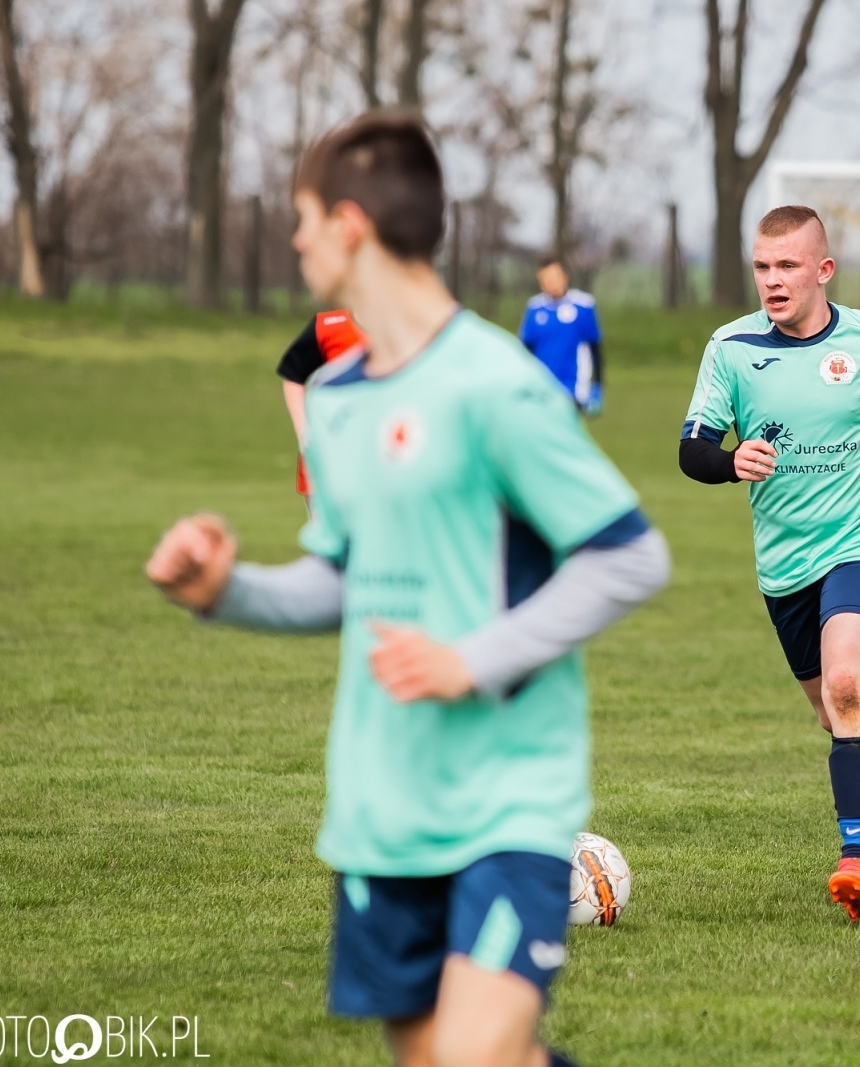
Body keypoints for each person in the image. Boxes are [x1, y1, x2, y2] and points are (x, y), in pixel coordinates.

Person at [145, 111, 669, 1067]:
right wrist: (228, 590)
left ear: (348, 223)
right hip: (381, 804)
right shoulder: (337, 399)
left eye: (303, 218)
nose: (295, 240)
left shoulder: (495, 386)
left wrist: (472, 659)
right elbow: (345, 584)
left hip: (509, 797)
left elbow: (629, 556)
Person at [677, 205, 860, 924]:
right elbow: (692, 448)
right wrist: (728, 462)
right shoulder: (732, 347)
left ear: (823, 270)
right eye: (762, 267)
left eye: (787, 267)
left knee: (847, 680)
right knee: (835, 712)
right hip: (785, 566)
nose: (772, 282)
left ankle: (856, 862)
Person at [277, 308, 366, 496]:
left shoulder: (412, 327)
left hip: (384, 454)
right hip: (330, 455)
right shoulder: (328, 327)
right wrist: (304, 432)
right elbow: (293, 374)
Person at [519, 258, 604, 415]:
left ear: (565, 277)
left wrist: (597, 386)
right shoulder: (534, 308)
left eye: (554, 277)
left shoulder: (583, 305)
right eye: (546, 279)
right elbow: (525, 351)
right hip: (542, 387)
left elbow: (595, 348)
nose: (551, 283)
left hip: (574, 387)